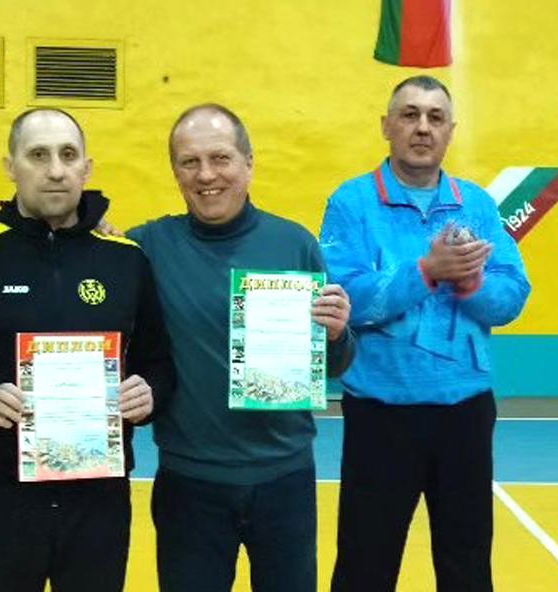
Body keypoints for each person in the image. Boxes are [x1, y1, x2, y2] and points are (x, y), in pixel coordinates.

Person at [0, 107, 175, 592]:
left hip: (98, 503)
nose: (55, 169)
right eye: (38, 155)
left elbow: (158, 363)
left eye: (68, 155)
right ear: (10, 166)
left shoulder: (126, 261)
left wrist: (150, 394)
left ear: (87, 168)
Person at [128, 103, 355, 592]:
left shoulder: (294, 244)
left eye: (221, 158)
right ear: (175, 172)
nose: (206, 175)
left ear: (248, 164)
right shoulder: (146, 247)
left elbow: (335, 364)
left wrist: (338, 332)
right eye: (190, 162)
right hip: (189, 484)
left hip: (285, 480)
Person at [319, 75, 531, 591]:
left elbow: (512, 296)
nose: (422, 127)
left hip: (466, 414)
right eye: (409, 114)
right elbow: (345, 299)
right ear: (386, 126)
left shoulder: (476, 205)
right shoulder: (351, 203)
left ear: (450, 131)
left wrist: (472, 284)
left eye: (435, 118)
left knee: (467, 566)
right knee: (365, 566)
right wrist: (427, 271)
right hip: (379, 414)